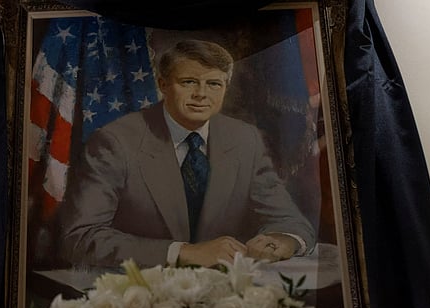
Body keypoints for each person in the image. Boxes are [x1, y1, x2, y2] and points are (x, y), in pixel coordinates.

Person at [58, 39, 315, 268]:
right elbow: (81, 236)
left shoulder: (245, 138)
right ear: (163, 85)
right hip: (137, 289)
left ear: (225, 88)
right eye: (188, 82)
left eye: (214, 84)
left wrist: (282, 241)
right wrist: (183, 253)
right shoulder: (115, 141)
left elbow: (288, 219)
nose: (201, 94)